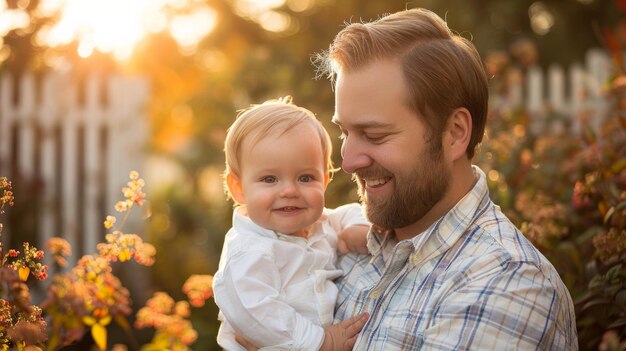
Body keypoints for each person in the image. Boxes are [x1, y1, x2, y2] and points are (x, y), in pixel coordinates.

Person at [311, 7, 578, 350]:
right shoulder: (344, 244)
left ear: (454, 133)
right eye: (345, 132)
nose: (347, 161)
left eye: (374, 135)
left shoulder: (505, 284)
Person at [212, 97, 370, 351]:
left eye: (305, 177)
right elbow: (255, 312)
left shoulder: (319, 223)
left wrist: (357, 227)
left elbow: (345, 213)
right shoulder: (250, 251)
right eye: (270, 179)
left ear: (325, 181)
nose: (289, 190)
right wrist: (321, 342)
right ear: (239, 188)